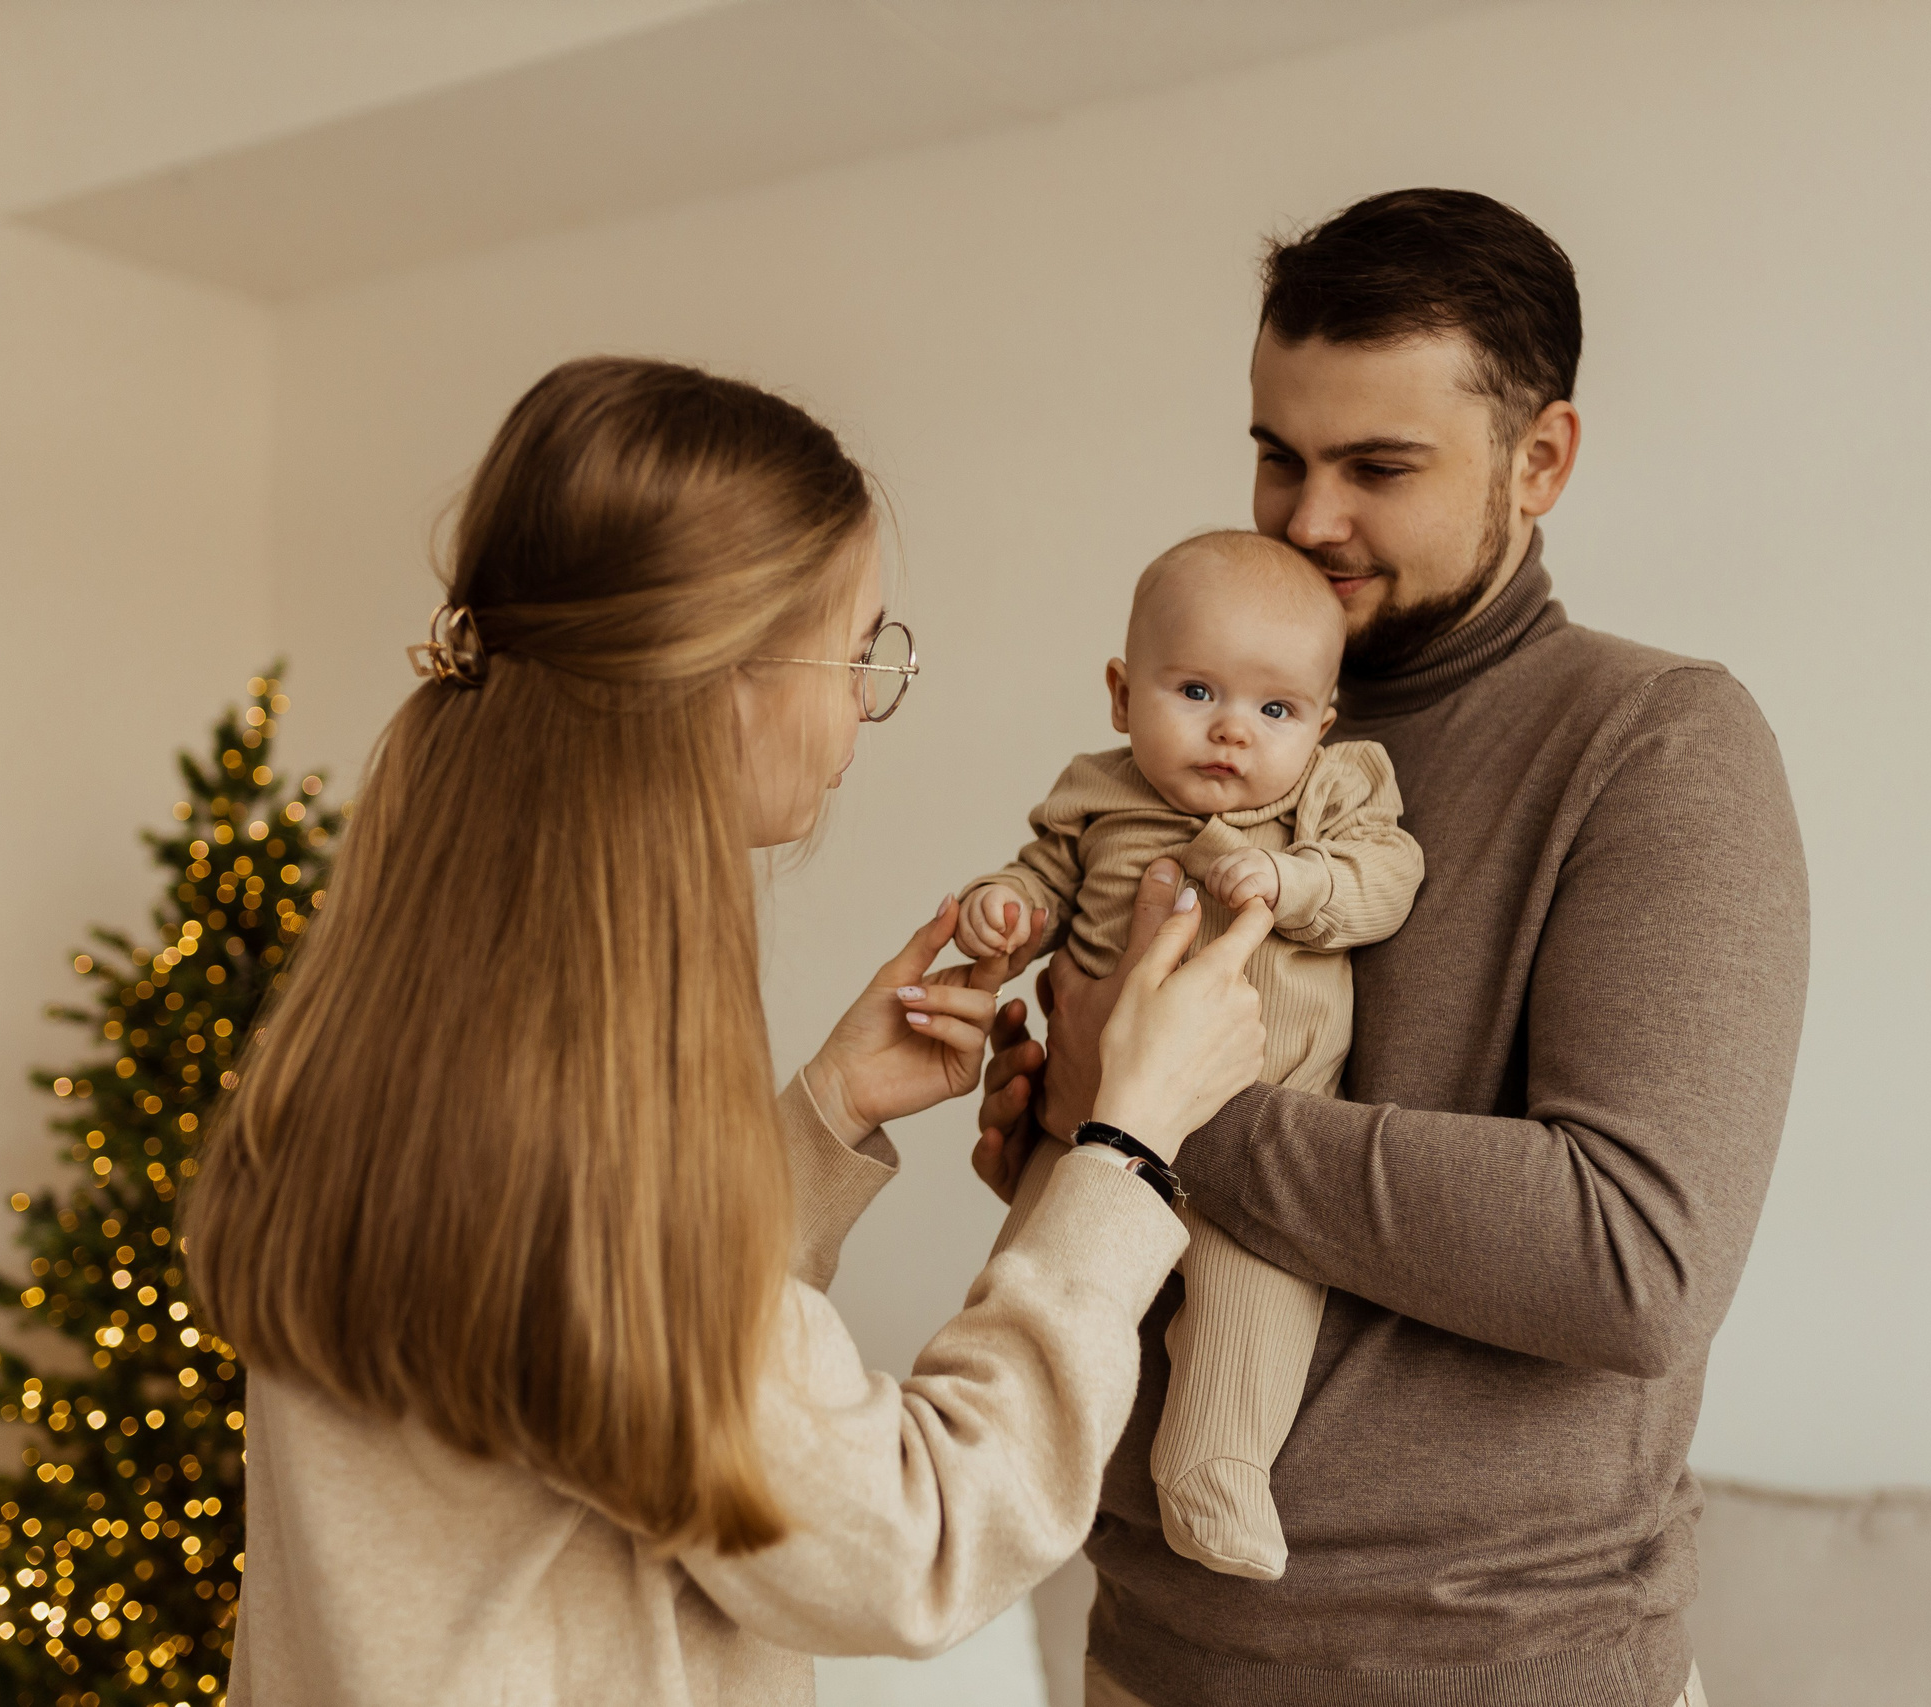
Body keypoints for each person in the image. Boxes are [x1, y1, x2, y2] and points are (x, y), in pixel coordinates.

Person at [183, 356, 1279, 1706]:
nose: (864, 699)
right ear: (732, 679)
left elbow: (624, 1376)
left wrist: (820, 1118)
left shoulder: (412, 1043)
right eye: (860, 649)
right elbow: (922, 1533)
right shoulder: (573, 1136)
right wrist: (1127, 1142)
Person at [975, 190, 1809, 1707]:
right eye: (1278, 455)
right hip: (1144, 1652)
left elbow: (1633, 1261)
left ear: (1539, 459)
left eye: (1377, 467)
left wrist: (1159, 1111)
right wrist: (1070, 1143)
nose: (1306, 521)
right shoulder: (1209, 720)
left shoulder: (1658, 742)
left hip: (1493, 1672)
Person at [956, 528, 1421, 1581]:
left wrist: (1295, 883)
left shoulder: (1331, 792)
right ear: (1123, 694)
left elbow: (1387, 878)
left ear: (1322, 722)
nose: (1231, 731)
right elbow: (1042, 878)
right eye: (1196, 691)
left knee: (1251, 1306)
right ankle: (999, 1460)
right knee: (1035, 1276)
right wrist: (1006, 909)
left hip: (1261, 1134)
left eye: (1276, 710)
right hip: (1092, 1127)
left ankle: (1216, 1470)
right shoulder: (1098, 793)